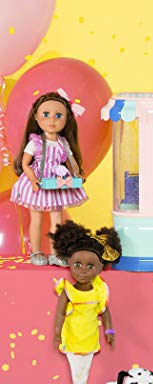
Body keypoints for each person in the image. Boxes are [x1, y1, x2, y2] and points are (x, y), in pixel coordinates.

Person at [49, 220, 122, 384]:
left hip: (89, 339)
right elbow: (60, 314)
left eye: (90, 266)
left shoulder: (99, 291)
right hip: (72, 338)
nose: (83, 270)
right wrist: (57, 334)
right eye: (77, 265)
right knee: (77, 371)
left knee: (84, 370)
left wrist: (109, 330)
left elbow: (105, 312)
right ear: (69, 264)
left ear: (100, 268)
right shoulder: (68, 290)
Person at [11, 90, 88, 266]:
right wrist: (32, 179)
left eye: (58, 115)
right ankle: (36, 252)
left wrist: (76, 174)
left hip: (56, 182)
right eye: (46, 114)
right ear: (36, 118)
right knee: (36, 218)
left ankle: (55, 253)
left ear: (66, 120)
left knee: (57, 219)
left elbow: (71, 162)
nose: (52, 120)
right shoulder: (35, 142)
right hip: (38, 181)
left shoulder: (63, 142)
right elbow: (25, 163)